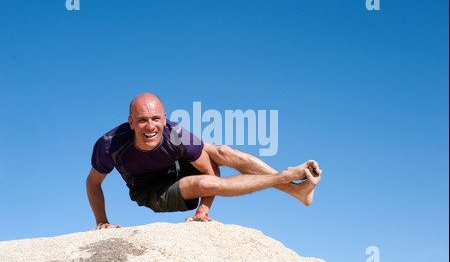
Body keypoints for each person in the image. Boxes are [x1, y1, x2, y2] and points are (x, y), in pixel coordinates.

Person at [86, 93, 322, 230]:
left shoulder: (175, 134)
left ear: (165, 118)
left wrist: (204, 211)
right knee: (205, 184)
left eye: (156, 119)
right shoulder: (110, 145)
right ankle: (284, 177)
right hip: (150, 191)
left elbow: (211, 170)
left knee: (222, 151)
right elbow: (93, 183)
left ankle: (297, 192)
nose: (150, 127)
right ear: (130, 122)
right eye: (142, 120)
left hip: (175, 167)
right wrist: (102, 222)